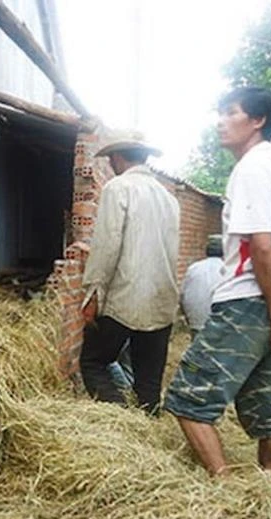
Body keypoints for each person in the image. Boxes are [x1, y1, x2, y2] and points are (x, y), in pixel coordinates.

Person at [164, 86, 271, 477]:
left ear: (258, 120)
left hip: (249, 300)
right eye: (220, 113)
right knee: (269, 414)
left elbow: (262, 245)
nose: (221, 122)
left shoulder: (252, 169)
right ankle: (270, 492)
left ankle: (225, 489)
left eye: (231, 113)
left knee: (188, 399)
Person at [80, 131, 180, 415]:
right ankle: (146, 425)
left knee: (93, 362)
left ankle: (120, 419)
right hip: (162, 300)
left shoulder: (118, 188)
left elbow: (107, 245)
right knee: (149, 383)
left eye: (111, 158)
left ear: (117, 157)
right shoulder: (169, 198)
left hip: (125, 297)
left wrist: (93, 292)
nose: (110, 164)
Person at [180, 236, 224, 337]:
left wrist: (188, 318)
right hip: (220, 325)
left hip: (196, 323)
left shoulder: (193, 268)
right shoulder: (227, 269)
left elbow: (182, 296)